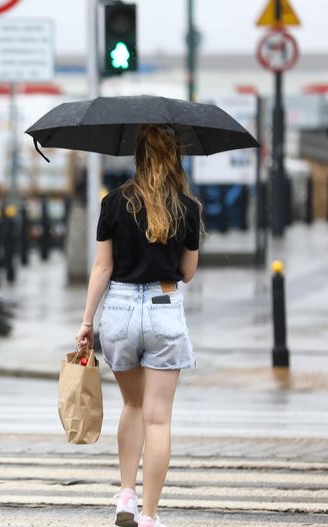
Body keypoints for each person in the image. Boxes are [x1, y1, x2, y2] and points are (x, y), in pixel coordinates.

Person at [75, 125, 202, 527]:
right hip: (164, 307)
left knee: (131, 405)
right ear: (174, 158)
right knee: (158, 418)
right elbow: (187, 272)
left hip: (120, 309)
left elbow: (102, 267)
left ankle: (125, 496)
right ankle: (149, 516)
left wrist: (87, 321)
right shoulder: (187, 207)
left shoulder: (113, 203)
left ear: (138, 157)